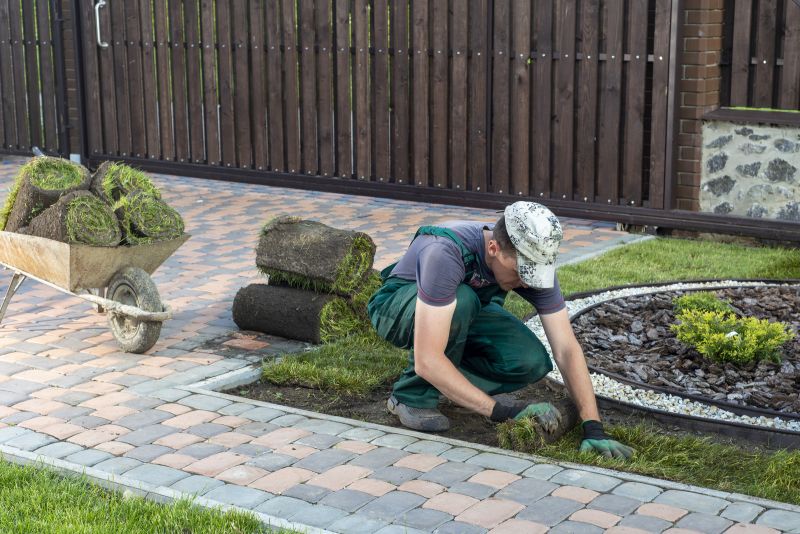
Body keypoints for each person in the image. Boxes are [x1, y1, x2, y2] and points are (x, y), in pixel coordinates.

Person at [367, 201, 634, 459]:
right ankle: (410, 396)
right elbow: (427, 360)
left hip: (459, 311)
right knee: (464, 300)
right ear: (493, 248)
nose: (528, 283)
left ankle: (457, 388)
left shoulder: (535, 258)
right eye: (521, 272)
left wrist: (593, 428)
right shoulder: (445, 252)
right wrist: (502, 410)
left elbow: (566, 349)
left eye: (534, 274)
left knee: (528, 360)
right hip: (398, 307)